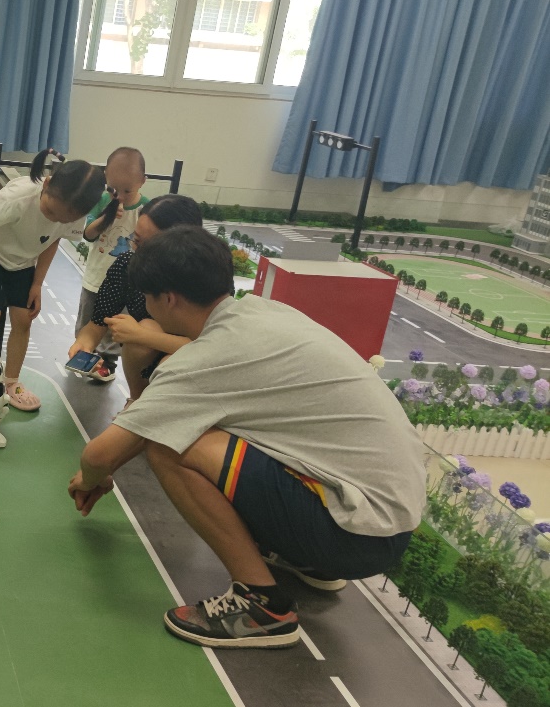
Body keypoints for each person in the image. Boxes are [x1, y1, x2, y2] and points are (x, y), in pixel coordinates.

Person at [69, 226, 425, 650]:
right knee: (223, 430)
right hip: (389, 519)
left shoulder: (205, 360)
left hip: (355, 534)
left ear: (168, 299)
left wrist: (92, 479)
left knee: (170, 446)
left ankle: (262, 606)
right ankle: (302, 557)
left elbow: (100, 455)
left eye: (147, 296)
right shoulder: (265, 312)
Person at [0, 149, 106, 412]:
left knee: (24, 319)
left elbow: (52, 240)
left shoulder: (72, 210)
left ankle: (11, 383)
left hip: (22, 263)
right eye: (51, 211)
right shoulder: (19, 197)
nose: (54, 219)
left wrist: (37, 284)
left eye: (63, 218)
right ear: (47, 184)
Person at [69, 195, 202, 400]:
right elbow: (97, 324)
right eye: (136, 240)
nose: (139, 252)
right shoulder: (127, 266)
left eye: (152, 247)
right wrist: (84, 345)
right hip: (149, 357)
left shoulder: (203, 278)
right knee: (146, 330)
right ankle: (136, 401)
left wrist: (140, 335)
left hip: (197, 367)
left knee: (160, 351)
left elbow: (208, 348)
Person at [75, 147, 148, 384]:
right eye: (115, 190)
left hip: (124, 284)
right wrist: (105, 218)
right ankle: (85, 356)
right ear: (106, 177)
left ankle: (108, 363)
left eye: (128, 190)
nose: (121, 196)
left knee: (115, 325)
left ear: (142, 181)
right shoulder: (102, 201)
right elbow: (88, 234)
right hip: (96, 277)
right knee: (88, 319)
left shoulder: (146, 210)